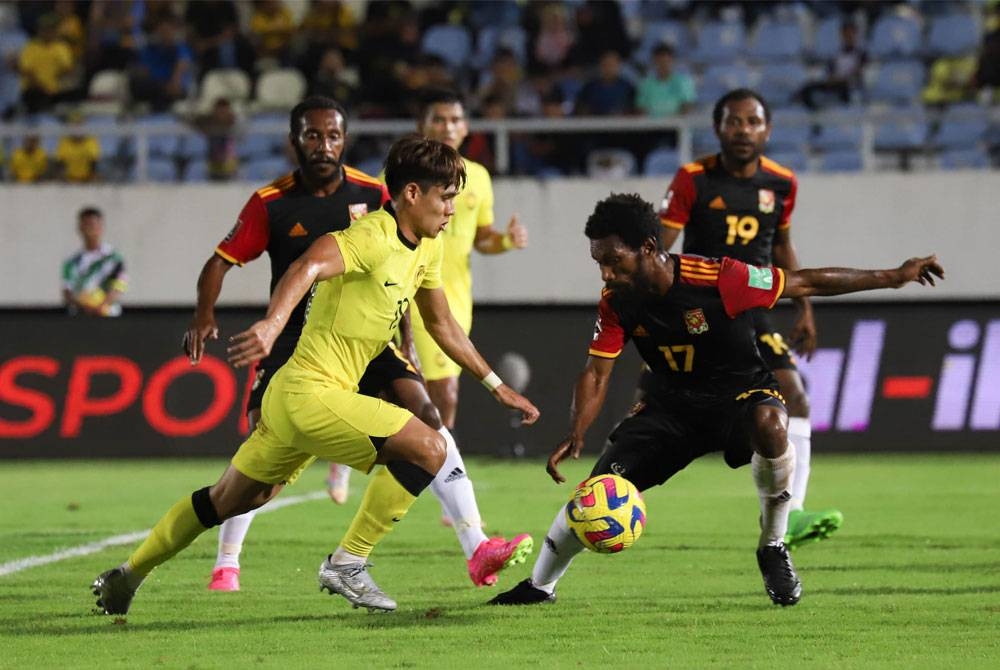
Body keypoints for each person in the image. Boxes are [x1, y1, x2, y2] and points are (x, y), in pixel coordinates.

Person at [92, 135, 540, 617]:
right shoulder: (371, 236)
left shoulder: (426, 250)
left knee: (227, 500)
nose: (452, 209)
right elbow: (307, 266)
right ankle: (349, 561)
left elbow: (443, 325)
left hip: (298, 399)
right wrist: (270, 324)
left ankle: (128, 574)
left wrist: (496, 386)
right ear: (412, 194)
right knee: (430, 446)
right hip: (311, 394)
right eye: (445, 196)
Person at [489, 193, 943, 608]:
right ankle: (540, 586)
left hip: (739, 395)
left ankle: (773, 544)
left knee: (771, 421)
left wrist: (894, 275)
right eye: (599, 263)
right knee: (596, 495)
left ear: (648, 247)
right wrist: (576, 431)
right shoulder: (616, 301)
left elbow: (805, 282)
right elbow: (596, 372)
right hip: (670, 407)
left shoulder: (721, 278)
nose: (606, 273)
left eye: (613, 260)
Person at [657, 88, 841, 551]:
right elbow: (661, 243)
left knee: (794, 397)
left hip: (753, 308)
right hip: (700, 306)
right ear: (718, 128)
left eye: (753, 122)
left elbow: (781, 247)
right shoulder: (693, 178)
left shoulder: (782, 182)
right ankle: (607, 495)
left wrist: (806, 307)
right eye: (733, 122)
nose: (743, 130)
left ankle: (791, 516)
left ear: (767, 129)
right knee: (653, 413)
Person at [62, 206, 127, 317]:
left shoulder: (113, 258)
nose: (90, 230)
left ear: (101, 227)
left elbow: (119, 286)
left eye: (93, 225)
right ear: (80, 228)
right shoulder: (71, 262)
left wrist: (102, 305)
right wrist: (84, 306)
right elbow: (67, 291)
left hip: (108, 314)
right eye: (86, 225)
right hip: (81, 316)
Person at [635, 43, 696, 118]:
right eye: (659, 61)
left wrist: (671, 121)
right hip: (652, 126)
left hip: (677, 126)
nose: (663, 65)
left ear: (672, 61)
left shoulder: (683, 82)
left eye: (665, 61)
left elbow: (687, 106)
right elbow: (641, 108)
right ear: (654, 62)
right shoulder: (646, 84)